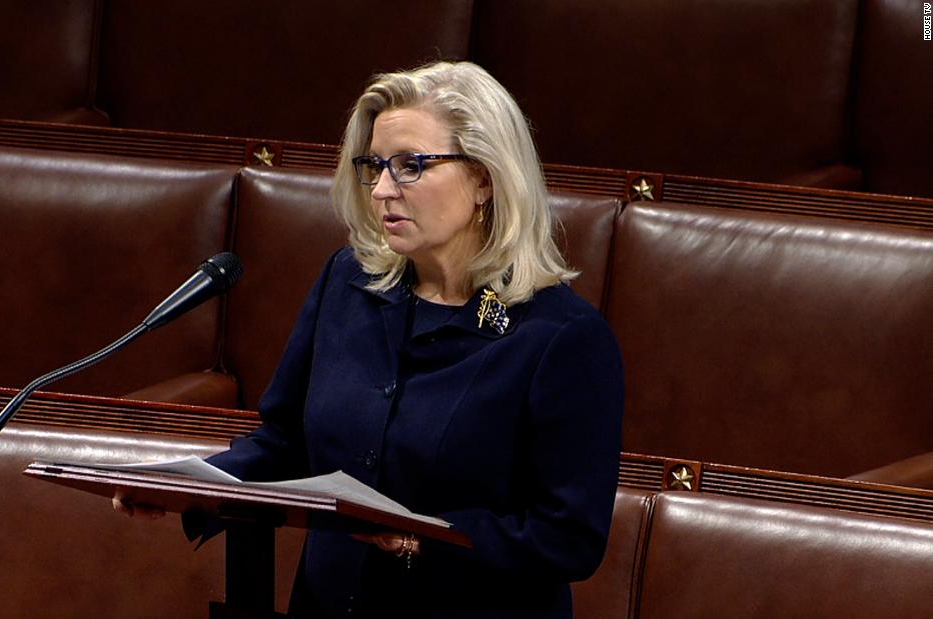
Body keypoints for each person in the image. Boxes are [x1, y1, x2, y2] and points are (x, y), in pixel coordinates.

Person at [116, 61, 623, 618]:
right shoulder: (347, 283)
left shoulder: (561, 337)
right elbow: (285, 446)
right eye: (374, 166)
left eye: (410, 166)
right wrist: (187, 489)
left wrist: (421, 537)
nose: (382, 189)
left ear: (484, 178)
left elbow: (569, 537)